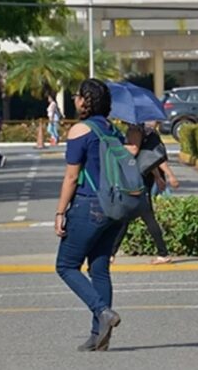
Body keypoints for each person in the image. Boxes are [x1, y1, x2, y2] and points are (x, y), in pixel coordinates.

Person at [55, 79, 129, 352]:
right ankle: (98, 335)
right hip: (114, 207)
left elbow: (72, 177)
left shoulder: (80, 130)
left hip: (89, 204)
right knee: (99, 268)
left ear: (85, 100)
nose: (74, 99)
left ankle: (102, 312)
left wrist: (60, 211)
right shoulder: (113, 130)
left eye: (77, 95)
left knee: (65, 265)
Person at [111, 123, 174, 265]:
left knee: (135, 216)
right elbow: (148, 158)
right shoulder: (141, 130)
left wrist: (116, 147)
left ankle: (163, 253)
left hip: (138, 180)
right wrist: (158, 177)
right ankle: (162, 253)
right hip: (141, 178)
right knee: (131, 216)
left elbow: (134, 150)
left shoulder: (135, 129)